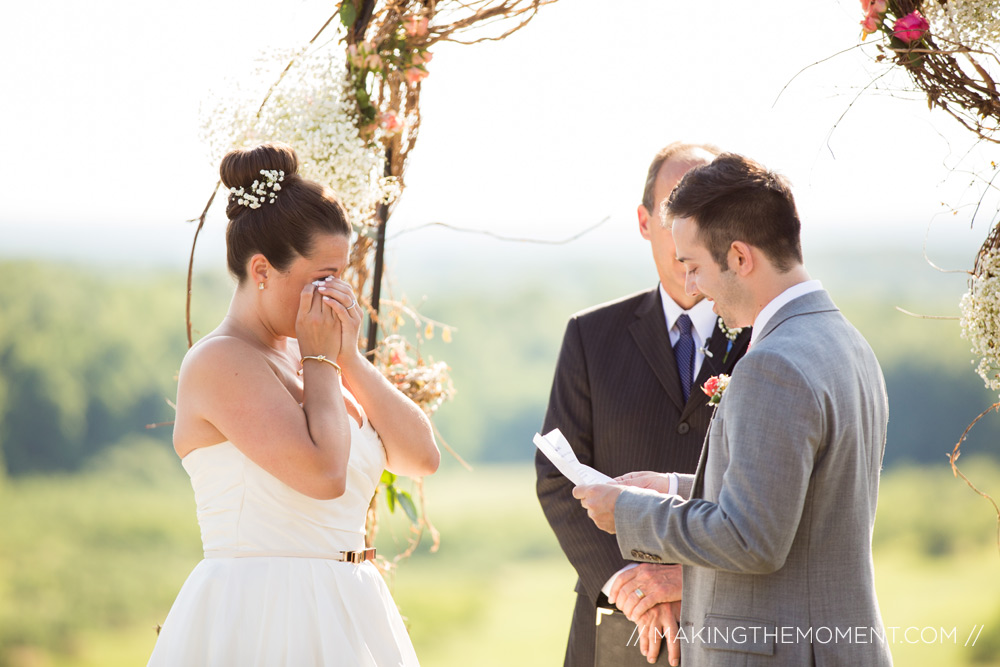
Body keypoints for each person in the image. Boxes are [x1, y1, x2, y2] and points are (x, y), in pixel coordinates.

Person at [574, 153, 892, 666]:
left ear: (740, 257)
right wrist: (679, 488)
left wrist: (628, 512)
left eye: (695, 267)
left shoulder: (774, 366)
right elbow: (795, 498)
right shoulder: (845, 342)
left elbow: (751, 539)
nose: (693, 289)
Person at [147, 142, 440, 666]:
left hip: (349, 612)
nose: (337, 293)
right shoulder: (219, 362)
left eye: (342, 275)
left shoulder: (316, 357)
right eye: (321, 278)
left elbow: (421, 458)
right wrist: (323, 361)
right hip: (263, 614)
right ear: (262, 271)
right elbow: (325, 474)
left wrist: (348, 356)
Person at [536, 143, 750, 666]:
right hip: (616, 626)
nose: (690, 233)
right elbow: (557, 475)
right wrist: (631, 587)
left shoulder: (763, 338)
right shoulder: (591, 335)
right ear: (644, 221)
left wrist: (687, 581)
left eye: (708, 215)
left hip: (736, 625)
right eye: (675, 211)